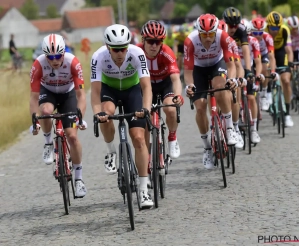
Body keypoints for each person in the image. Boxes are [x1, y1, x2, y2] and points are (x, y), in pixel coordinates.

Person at [90, 24, 153, 208]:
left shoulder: (137, 54)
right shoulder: (98, 57)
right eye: (116, 49)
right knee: (106, 113)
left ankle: (143, 191)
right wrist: (97, 113)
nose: (120, 53)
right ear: (108, 47)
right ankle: (111, 152)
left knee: (139, 139)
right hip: (109, 90)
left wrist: (146, 108)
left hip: (131, 90)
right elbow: (95, 92)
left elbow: (146, 86)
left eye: (123, 48)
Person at [29, 34, 87, 198]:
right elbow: (33, 98)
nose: (54, 60)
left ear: (64, 52)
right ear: (45, 55)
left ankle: (79, 179)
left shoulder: (73, 62)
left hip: (68, 95)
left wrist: (79, 117)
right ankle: (48, 143)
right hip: (48, 93)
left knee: (72, 137)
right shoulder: (38, 64)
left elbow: (81, 96)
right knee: (46, 112)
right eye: (50, 57)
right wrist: (35, 121)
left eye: (58, 56)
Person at [184, 14, 238, 169]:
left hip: (217, 64)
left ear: (215, 31)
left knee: (220, 87)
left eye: (210, 34)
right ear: (198, 32)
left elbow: (231, 64)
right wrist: (189, 86)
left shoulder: (223, 36)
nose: (207, 38)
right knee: (200, 107)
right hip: (198, 70)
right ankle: (207, 148)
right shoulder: (190, 41)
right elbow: (187, 71)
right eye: (204, 34)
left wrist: (232, 79)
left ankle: (229, 128)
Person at [137, 20, 184, 159]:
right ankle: (146, 155)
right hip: (146, 86)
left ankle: (172, 137)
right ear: (143, 40)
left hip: (164, 84)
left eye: (158, 42)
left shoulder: (167, 52)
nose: (154, 45)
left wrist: (178, 96)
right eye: (150, 41)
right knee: (145, 119)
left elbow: (176, 79)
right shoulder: (136, 52)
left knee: (170, 109)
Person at [222, 7, 253, 147]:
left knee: (237, 81)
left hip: (234, 56)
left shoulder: (241, 31)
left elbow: (245, 51)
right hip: (220, 56)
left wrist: (248, 70)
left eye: (235, 25)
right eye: (230, 25)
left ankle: (235, 123)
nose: (233, 28)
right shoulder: (221, 30)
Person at [265, 11, 294, 127]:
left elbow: (289, 50)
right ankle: (267, 93)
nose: (275, 30)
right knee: (266, 71)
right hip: (268, 52)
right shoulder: (264, 31)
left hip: (281, 52)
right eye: (272, 27)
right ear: (268, 26)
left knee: (286, 81)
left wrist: (291, 63)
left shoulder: (285, 30)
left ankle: (287, 113)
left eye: (277, 27)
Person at [250, 17, 276, 111]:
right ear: (251, 32)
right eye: (255, 33)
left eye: (260, 33)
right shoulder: (248, 37)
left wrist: (273, 71)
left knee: (265, 68)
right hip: (252, 55)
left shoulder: (268, 37)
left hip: (263, 54)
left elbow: (272, 57)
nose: (257, 35)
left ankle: (264, 94)